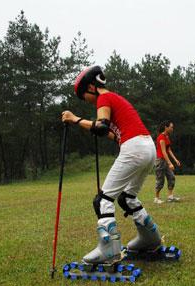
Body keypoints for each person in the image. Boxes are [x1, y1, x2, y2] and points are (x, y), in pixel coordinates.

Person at [61, 65, 164, 265]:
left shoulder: (103, 98)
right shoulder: (116, 98)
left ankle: (109, 250)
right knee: (127, 198)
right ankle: (150, 238)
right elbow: (112, 134)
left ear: (91, 87)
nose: (86, 100)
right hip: (147, 147)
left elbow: (101, 126)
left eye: (84, 95)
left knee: (102, 200)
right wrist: (87, 125)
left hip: (133, 148)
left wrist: (75, 119)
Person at [154, 120, 181, 204]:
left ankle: (170, 197)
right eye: (171, 127)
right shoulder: (161, 137)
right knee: (160, 180)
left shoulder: (167, 137)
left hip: (165, 160)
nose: (172, 128)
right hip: (160, 161)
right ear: (166, 127)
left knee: (171, 177)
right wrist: (170, 163)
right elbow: (163, 152)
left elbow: (169, 150)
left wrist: (175, 160)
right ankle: (156, 198)